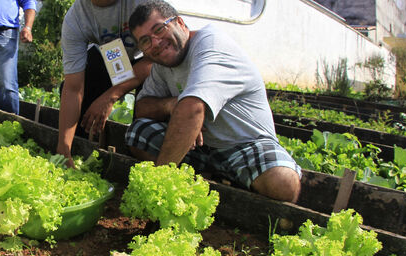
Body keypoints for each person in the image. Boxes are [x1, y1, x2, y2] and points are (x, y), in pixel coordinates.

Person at [125, 0, 302, 202]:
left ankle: (215, 185)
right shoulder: (162, 64)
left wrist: (159, 182)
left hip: (243, 144)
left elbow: (192, 109)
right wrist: (170, 105)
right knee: (138, 133)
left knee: (283, 183)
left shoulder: (211, 44)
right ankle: (203, 181)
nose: (156, 43)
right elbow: (142, 107)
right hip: (201, 148)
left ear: (180, 23)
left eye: (159, 29)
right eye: (145, 41)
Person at [56, 0, 153, 167]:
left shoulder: (143, 3)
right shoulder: (77, 18)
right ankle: (81, 154)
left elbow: (159, 57)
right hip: (111, 55)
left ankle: (149, 167)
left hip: (150, 58)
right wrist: (63, 149)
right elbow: (73, 88)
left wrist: (111, 96)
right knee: (81, 88)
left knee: (147, 117)